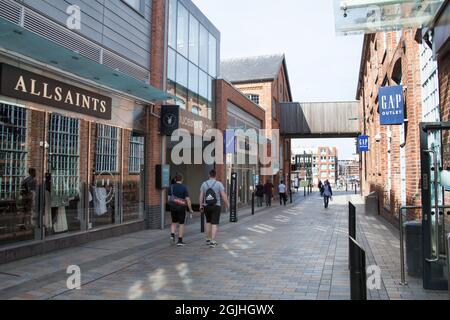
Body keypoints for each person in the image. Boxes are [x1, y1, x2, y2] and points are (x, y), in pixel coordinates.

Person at [199, 170, 229, 248]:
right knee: (214, 223)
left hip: (206, 206)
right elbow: (223, 195)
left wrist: (200, 205)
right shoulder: (219, 184)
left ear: (209, 175)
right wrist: (227, 204)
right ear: (215, 176)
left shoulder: (204, 184)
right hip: (216, 206)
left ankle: (208, 239)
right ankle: (212, 241)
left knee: (208, 222)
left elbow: (201, 196)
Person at [168, 174, 193, 247]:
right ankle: (180, 240)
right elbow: (188, 200)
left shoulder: (171, 187)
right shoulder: (184, 187)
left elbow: (169, 199)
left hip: (173, 207)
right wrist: (190, 209)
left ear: (175, 179)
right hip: (181, 208)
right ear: (182, 179)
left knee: (173, 222)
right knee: (181, 224)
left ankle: (172, 235)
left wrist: (172, 205)